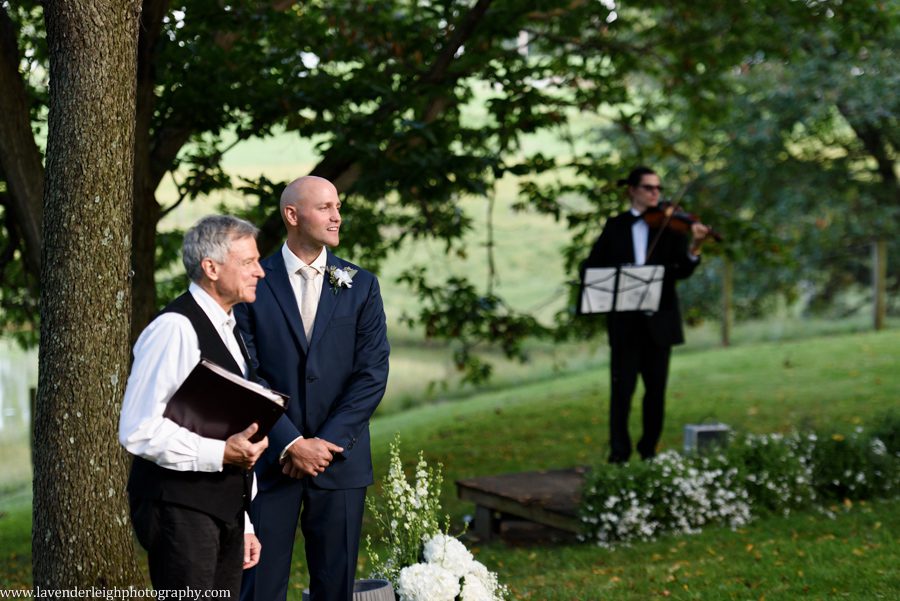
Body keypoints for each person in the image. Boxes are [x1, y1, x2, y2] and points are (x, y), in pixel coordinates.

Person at [236, 176, 390, 601]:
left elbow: (372, 373)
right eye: (325, 207)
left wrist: (325, 443)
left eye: (337, 206)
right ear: (292, 215)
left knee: (334, 588)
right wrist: (290, 442)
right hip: (270, 461)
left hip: (339, 462)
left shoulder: (362, 285)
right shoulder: (253, 281)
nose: (337, 215)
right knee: (259, 587)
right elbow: (247, 370)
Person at [119, 215, 269, 595]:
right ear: (211, 268)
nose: (261, 272)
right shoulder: (175, 328)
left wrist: (245, 521)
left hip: (222, 510)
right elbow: (139, 429)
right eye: (248, 262)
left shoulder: (229, 326)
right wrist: (221, 452)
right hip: (180, 510)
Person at [582, 166, 710, 463]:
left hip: (659, 323)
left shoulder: (670, 227)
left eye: (659, 189)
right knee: (621, 392)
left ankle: (649, 451)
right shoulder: (615, 226)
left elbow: (682, 269)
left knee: (655, 393)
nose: (656, 194)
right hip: (625, 324)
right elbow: (592, 267)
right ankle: (619, 454)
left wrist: (696, 246)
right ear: (633, 190)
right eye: (649, 188)